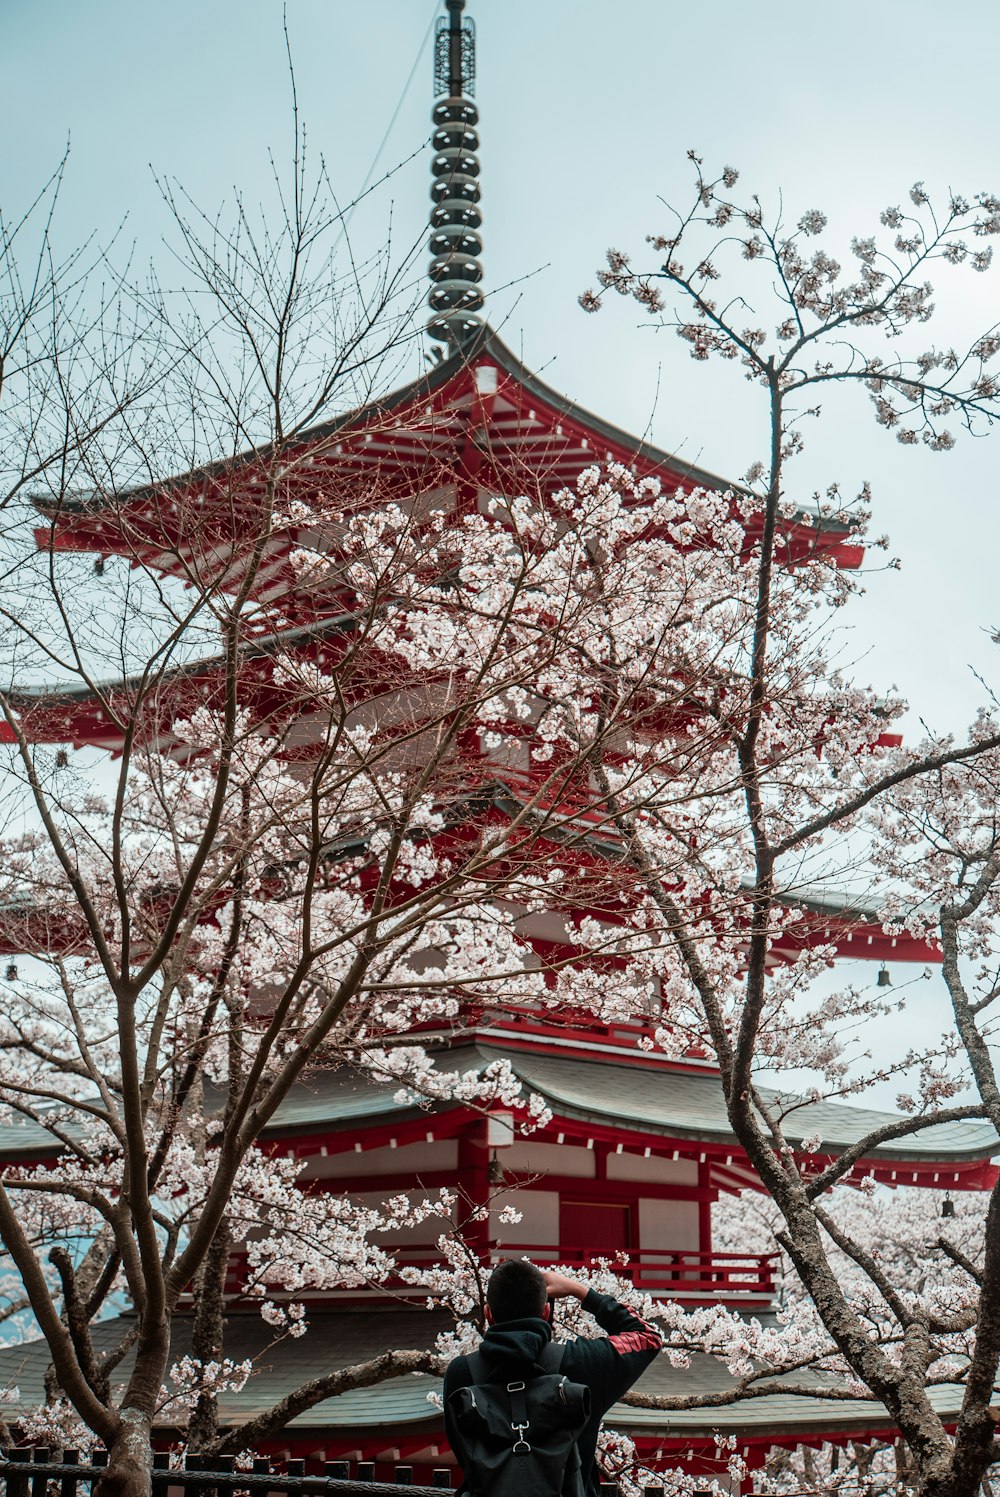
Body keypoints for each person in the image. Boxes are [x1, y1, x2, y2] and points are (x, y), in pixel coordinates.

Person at [443, 1260, 663, 1496]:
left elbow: (461, 1446)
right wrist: (580, 1290)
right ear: (546, 1313)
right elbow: (647, 1336)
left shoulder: (462, 1372)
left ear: (488, 1314)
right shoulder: (582, 1364)